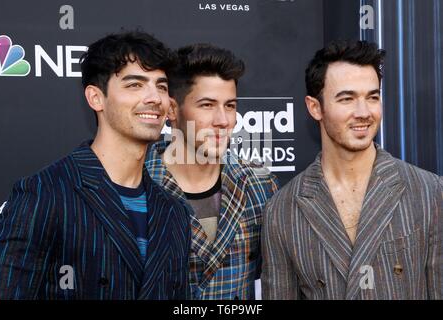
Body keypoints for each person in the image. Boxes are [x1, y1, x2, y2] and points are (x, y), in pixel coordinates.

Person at [0, 31, 191, 299]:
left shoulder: (174, 211)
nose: (155, 97)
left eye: (162, 86)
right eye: (135, 84)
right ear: (96, 98)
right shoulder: (43, 194)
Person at [262, 40, 442, 300]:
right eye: (347, 99)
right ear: (315, 107)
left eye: (372, 97)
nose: (363, 112)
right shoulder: (282, 210)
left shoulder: (430, 193)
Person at [145, 43, 280, 299]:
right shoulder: (134, 185)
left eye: (230, 105)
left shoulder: (261, 186)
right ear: (172, 110)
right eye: (207, 105)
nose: (223, 120)